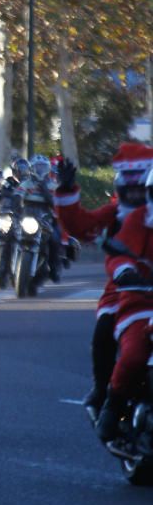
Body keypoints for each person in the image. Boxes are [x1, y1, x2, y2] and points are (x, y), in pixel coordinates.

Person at [54, 143, 153, 420]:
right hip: (123, 288)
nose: (136, 197)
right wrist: (66, 192)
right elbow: (81, 227)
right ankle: (103, 389)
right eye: (130, 191)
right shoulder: (116, 215)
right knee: (104, 330)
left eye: (141, 191)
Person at [97, 167, 153, 441]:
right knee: (134, 356)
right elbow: (118, 254)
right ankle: (112, 406)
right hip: (142, 302)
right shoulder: (137, 220)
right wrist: (125, 271)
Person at [16, 153, 63, 282]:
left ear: (47, 169)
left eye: (43, 167)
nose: (40, 170)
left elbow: (54, 203)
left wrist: (45, 190)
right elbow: (18, 195)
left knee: (54, 239)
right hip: (28, 216)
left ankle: (54, 268)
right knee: (11, 233)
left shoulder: (52, 185)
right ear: (32, 168)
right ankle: (9, 265)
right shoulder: (26, 183)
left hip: (46, 216)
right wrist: (16, 203)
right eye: (37, 167)